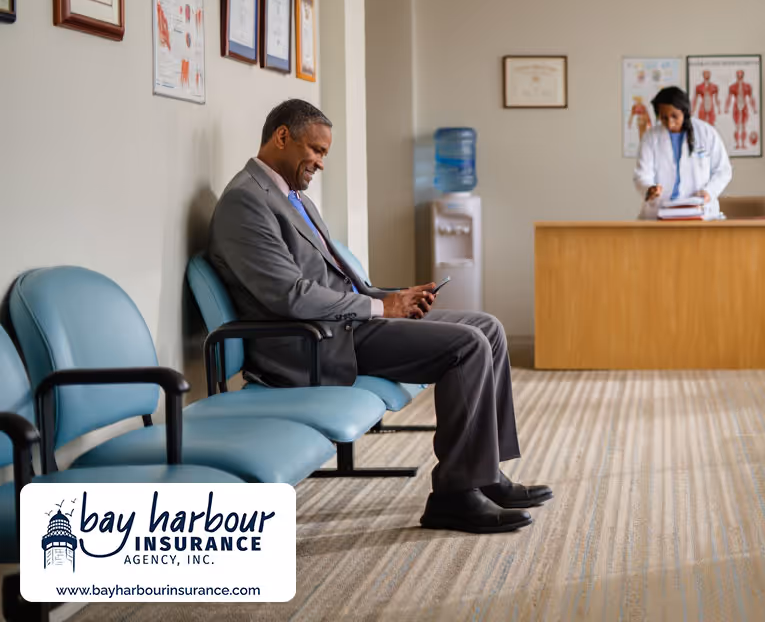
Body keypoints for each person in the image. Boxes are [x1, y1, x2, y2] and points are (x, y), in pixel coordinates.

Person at [208, 99, 551, 534]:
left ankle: (485, 474)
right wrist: (380, 307)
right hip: (313, 342)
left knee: (487, 327)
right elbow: (289, 297)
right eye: (315, 150)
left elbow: (335, 280)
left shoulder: (290, 196)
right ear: (281, 137)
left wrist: (392, 296)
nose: (320, 162)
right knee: (466, 346)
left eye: (324, 153)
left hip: (345, 323)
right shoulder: (245, 202)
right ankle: (455, 496)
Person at [633, 86, 732, 220]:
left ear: (685, 112)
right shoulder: (650, 137)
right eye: (664, 117)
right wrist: (650, 189)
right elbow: (642, 174)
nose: (670, 123)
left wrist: (709, 192)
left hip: (700, 211)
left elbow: (723, 170)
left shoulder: (706, 133)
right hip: (660, 213)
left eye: (675, 116)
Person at [724, 69, 757, 151]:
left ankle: (743, 144)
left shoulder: (747, 86)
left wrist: (754, 108)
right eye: (738, 75)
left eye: (741, 75)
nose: (739, 77)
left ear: (743, 76)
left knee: (744, 126)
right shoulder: (732, 87)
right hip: (736, 106)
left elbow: (751, 98)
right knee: (737, 127)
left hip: (744, 106)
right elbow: (729, 98)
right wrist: (726, 108)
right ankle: (737, 144)